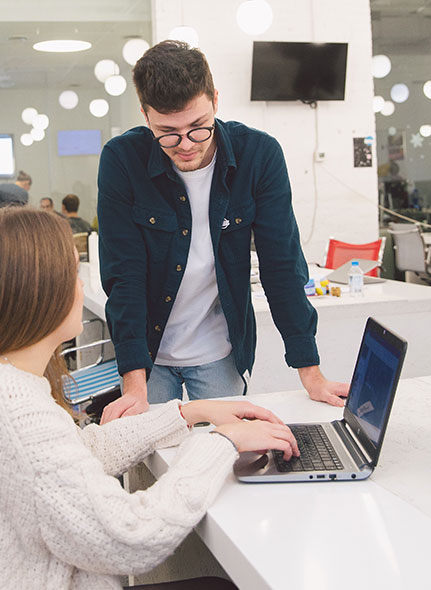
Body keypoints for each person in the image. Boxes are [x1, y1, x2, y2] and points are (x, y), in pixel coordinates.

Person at [0, 207, 298, 590]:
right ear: (37, 293)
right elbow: (131, 538)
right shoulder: (9, 403)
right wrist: (222, 443)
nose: (82, 285)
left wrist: (191, 412)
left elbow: (78, 453)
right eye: (73, 273)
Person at [97, 41, 348, 423]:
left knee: (229, 449)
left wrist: (310, 372)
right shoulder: (122, 159)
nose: (185, 145)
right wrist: (133, 383)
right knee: (152, 449)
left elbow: (281, 266)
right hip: (148, 354)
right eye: (168, 132)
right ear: (145, 114)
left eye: (198, 127)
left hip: (220, 350)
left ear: (215, 100)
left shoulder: (258, 155)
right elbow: (124, 274)